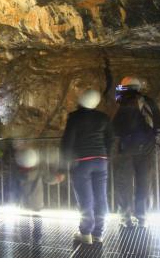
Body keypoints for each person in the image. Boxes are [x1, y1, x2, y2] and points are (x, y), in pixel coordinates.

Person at [60, 89, 113, 245]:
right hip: (101, 160)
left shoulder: (75, 117)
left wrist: (63, 166)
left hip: (82, 161)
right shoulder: (103, 118)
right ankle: (98, 233)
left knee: (85, 199)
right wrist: (106, 157)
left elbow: (67, 142)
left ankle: (85, 233)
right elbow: (110, 139)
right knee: (101, 197)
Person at [113, 77, 160, 228]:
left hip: (126, 150)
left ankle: (125, 217)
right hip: (146, 149)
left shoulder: (125, 102)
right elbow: (158, 124)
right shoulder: (149, 102)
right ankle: (142, 217)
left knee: (124, 184)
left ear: (125, 88)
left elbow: (117, 128)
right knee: (144, 183)